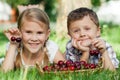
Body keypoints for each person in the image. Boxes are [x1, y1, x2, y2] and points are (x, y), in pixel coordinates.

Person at [2, 8, 65, 72]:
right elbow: (5, 73)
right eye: (28, 32)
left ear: (47, 34)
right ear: (19, 32)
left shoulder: (50, 48)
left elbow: (66, 69)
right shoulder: (13, 47)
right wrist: (13, 45)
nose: (34, 39)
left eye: (39, 33)